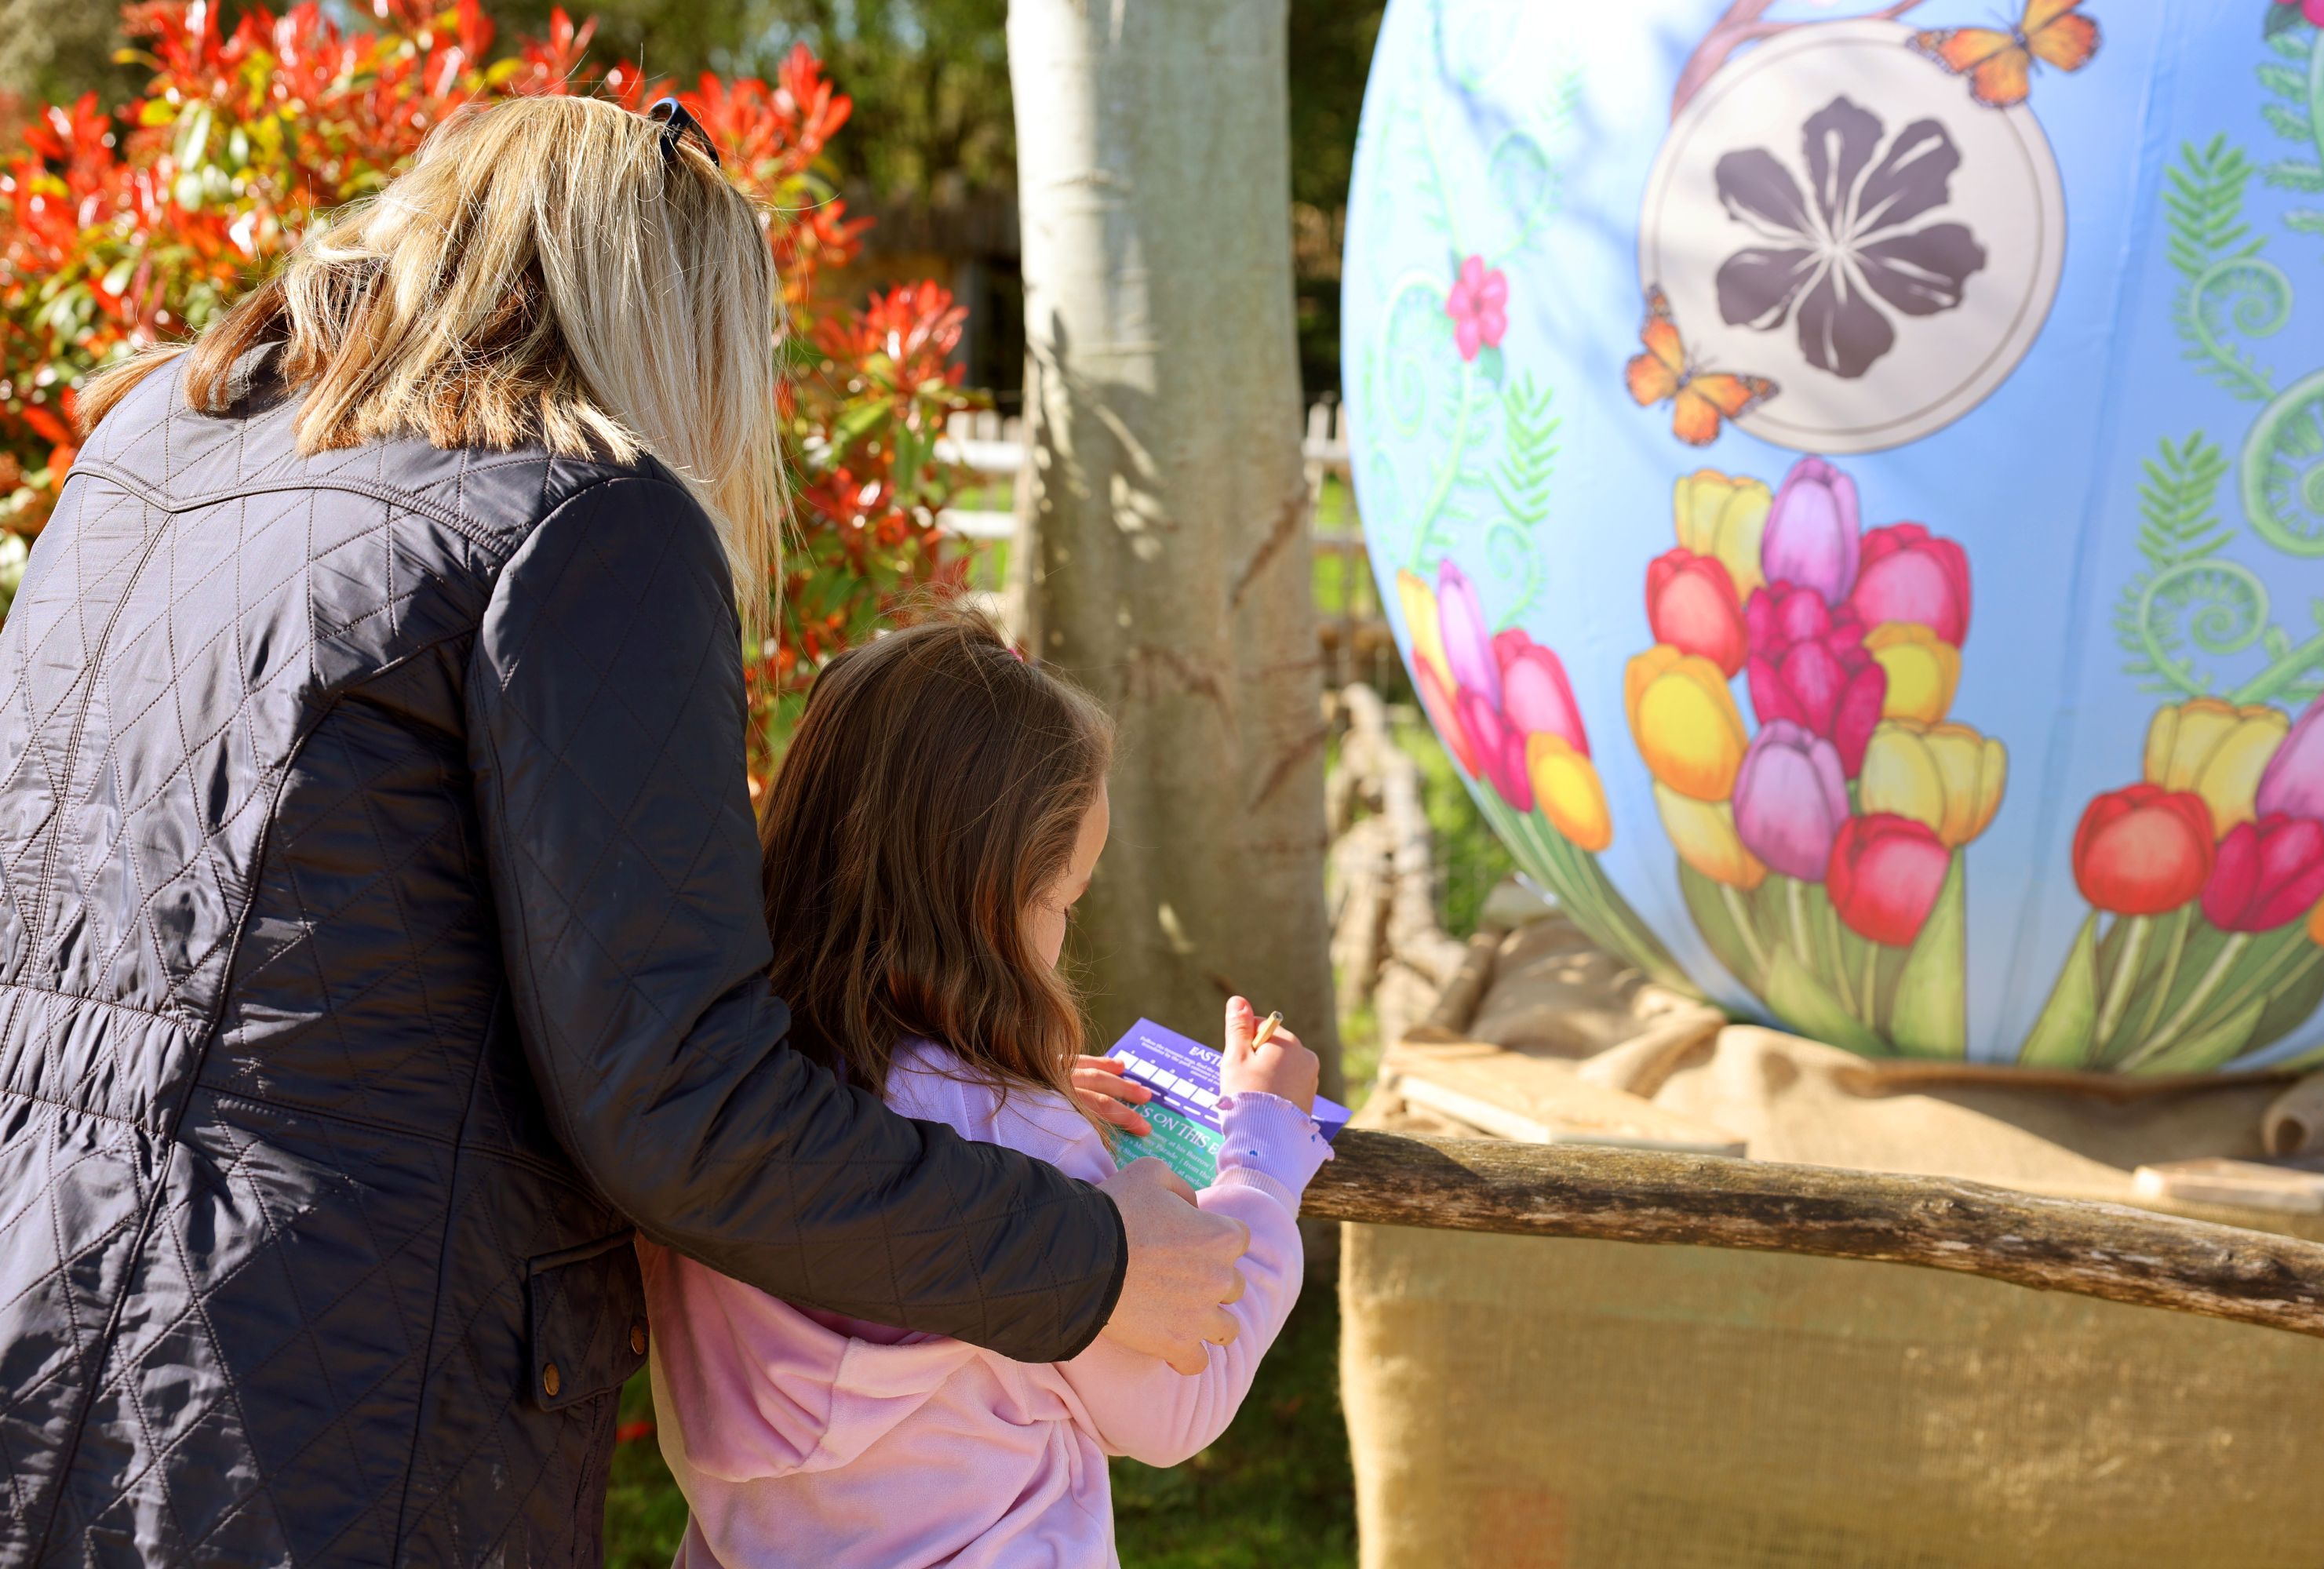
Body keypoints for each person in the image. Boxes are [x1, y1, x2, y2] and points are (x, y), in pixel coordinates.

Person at [0, 94, 1248, 1567]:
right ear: (675, 323)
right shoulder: (588, 521)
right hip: (331, 1409)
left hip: (39, 1290)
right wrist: (1093, 1263)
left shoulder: (154, 444)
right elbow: (686, 1105)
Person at [642, 613, 1331, 1567]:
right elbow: (1181, 1395)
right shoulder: (1026, 1152)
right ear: (993, 899)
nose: (1064, 933)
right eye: (1065, 900)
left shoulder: (728, 1091)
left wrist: (1024, 1091)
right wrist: (1262, 1153)